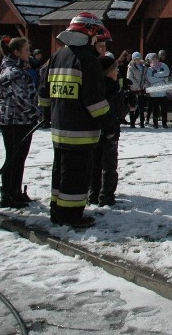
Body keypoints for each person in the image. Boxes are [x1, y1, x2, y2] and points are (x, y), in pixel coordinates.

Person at [37, 12, 110, 229]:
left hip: (59, 128)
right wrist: (108, 121)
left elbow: (44, 91)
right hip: (81, 132)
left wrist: (47, 114)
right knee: (76, 176)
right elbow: (94, 100)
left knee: (60, 172)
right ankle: (71, 216)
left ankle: (57, 211)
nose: (98, 40)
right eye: (97, 35)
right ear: (89, 33)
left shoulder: (58, 56)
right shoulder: (88, 60)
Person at [0, 37, 40, 208]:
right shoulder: (12, 72)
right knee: (13, 157)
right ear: (16, 52)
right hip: (13, 119)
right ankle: (8, 193)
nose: (29, 52)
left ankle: (15, 190)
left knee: (19, 157)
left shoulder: (18, 68)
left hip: (21, 119)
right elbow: (20, 98)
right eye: (27, 50)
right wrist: (37, 113)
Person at [88, 55, 129, 207]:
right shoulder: (113, 88)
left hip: (95, 131)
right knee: (109, 166)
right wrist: (129, 106)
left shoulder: (95, 86)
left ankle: (93, 195)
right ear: (108, 71)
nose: (117, 71)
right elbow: (119, 111)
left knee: (95, 164)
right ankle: (106, 197)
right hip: (110, 131)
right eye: (115, 69)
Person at [145, 52, 169, 128]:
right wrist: (162, 78)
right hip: (154, 93)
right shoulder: (149, 69)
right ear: (151, 60)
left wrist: (156, 75)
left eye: (156, 59)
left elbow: (167, 73)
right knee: (155, 109)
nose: (155, 60)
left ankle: (164, 123)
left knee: (164, 109)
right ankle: (155, 124)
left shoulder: (164, 65)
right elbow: (150, 79)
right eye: (153, 59)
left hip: (163, 93)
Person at [126, 52, 149, 128]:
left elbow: (146, 78)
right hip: (134, 90)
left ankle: (142, 123)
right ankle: (132, 123)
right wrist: (137, 87)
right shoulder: (130, 67)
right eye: (136, 59)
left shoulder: (144, 67)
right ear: (133, 59)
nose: (138, 60)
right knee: (132, 107)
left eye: (139, 58)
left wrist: (144, 86)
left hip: (141, 90)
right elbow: (130, 78)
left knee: (141, 107)